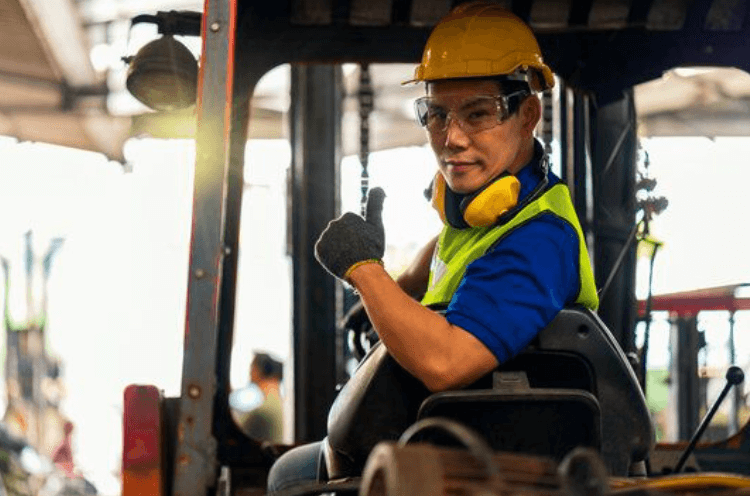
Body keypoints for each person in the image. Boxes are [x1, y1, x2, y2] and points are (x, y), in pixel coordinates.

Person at [267, 1, 598, 491]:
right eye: (437, 115)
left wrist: (364, 272)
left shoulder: (539, 239)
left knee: (286, 476)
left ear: (528, 114)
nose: (452, 139)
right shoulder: (493, 211)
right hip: (437, 444)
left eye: (478, 114)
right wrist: (396, 292)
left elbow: (447, 363)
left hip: (481, 466)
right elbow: (454, 250)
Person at [240, 352, 284, 443]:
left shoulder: (262, 413)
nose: (250, 371)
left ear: (259, 370)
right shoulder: (277, 404)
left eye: (252, 366)